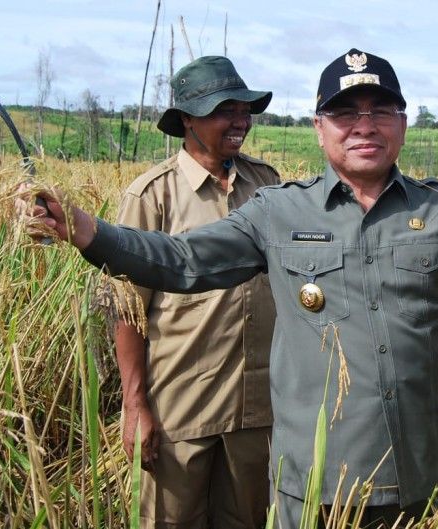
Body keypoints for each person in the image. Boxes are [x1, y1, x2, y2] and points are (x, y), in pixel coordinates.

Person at [23, 49, 438, 529]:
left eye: (381, 110)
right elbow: (181, 261)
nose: (365, 125)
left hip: (423, 477)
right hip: (315, 485)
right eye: (345, 113)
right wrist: (87, 231)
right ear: (320, 128)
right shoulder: (277, 212)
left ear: (403, 124)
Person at [114, 55, 279, 529]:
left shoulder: (266, 185)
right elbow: (126, 309)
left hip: (255, 408)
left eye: (244, 109)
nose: (240, 121)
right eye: (224, 110)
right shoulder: (152, 196)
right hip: (180, 408)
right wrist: (135, 405)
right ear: (187, 119)